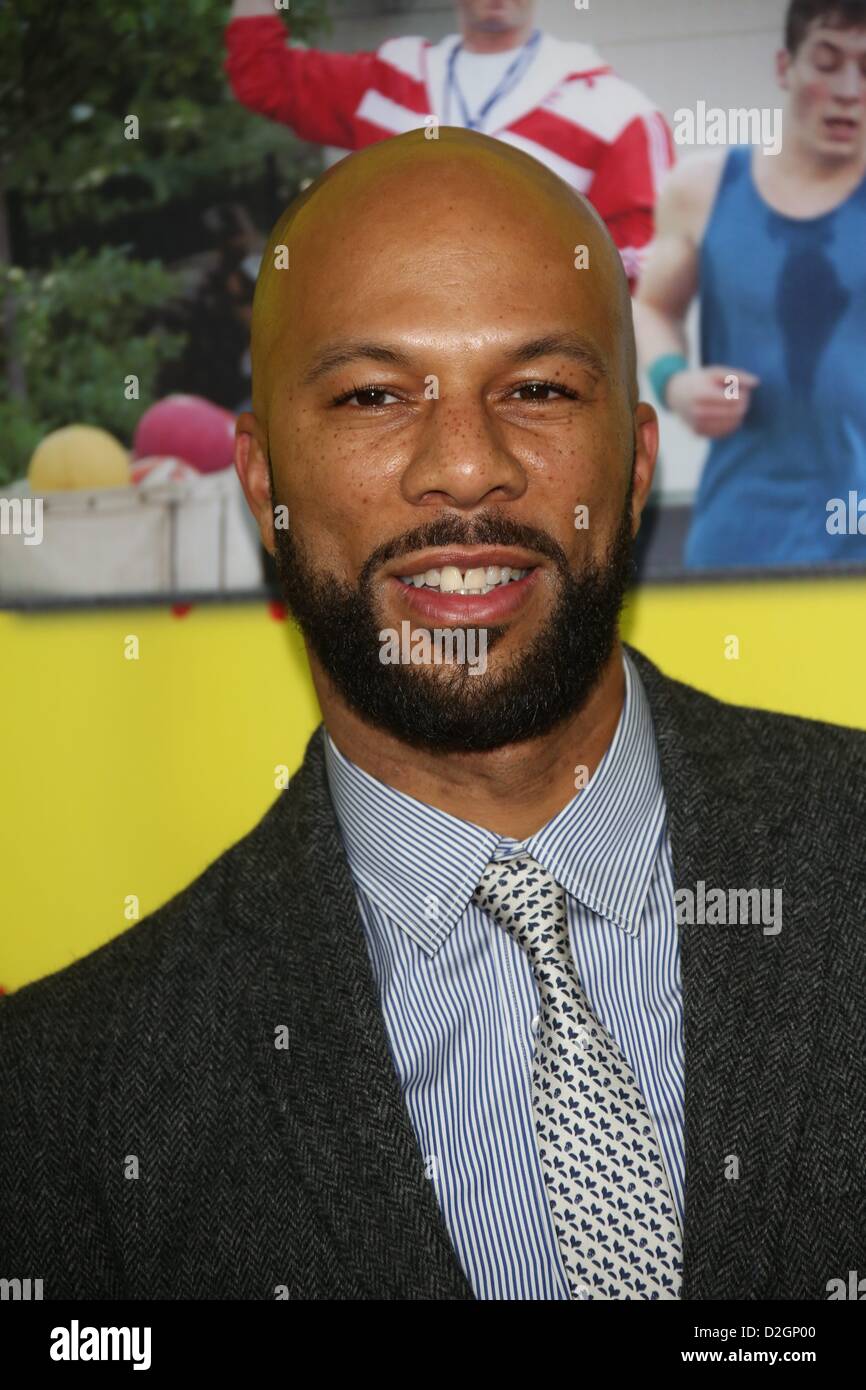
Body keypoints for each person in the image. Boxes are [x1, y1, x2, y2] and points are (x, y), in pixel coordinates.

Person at [2, 126, 865, 1302]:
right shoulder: (62, 1105)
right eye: (371, 395)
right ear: (264, 486)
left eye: (538, 388)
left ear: (632, 459)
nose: (464, 466)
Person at [636, 0, 866, 570]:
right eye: (828, 61)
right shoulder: (703, 189)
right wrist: (676, 384)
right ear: (786, 66)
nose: (847, 88)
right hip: (742, 534)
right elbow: (652, 308)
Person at [224, 0, 673, 289]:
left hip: (528, 371)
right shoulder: (394, 77)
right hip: (397, 354)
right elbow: (264, 78)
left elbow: (646, 264)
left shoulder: (615, 112)